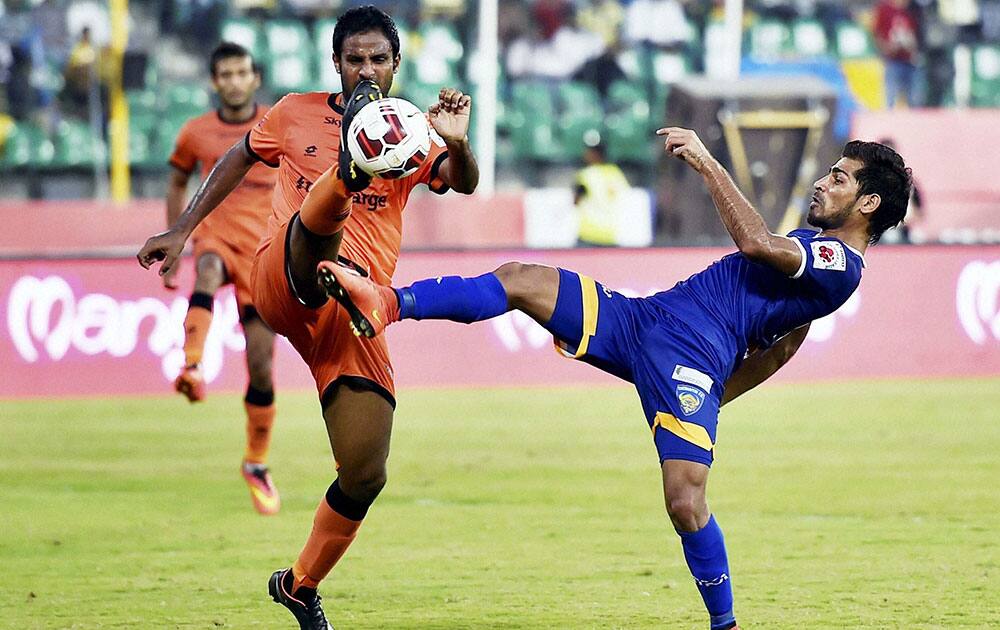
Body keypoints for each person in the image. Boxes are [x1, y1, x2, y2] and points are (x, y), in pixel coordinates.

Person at [318, 128, 912, 630]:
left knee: (685, 502)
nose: (822, 181)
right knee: (523, 278)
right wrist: (715, 401)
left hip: (691, 356)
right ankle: (386, 302)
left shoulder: (839, 263)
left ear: (867, 206)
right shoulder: (815, 252)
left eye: (839, 177)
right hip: (646, 321)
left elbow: (755, 245)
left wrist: (707, 160)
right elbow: (782, 351)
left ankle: (725, 624)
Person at [137, 6, 478, 628]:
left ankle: (298, 584)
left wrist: (456, 141)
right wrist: (184, 229)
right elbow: (238, 159)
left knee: (366, 471)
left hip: (356, 310)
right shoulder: (294, 112)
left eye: (378, 59)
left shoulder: (411, 129)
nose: (367, 69)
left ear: (396, 65)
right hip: (287, 275)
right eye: (355, 60)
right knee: (315, 240)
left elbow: (462, 181)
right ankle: (345, 179)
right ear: (337, 64)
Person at [162, 42, 281, 516]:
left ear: (255, 78)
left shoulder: (277, 124)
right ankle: (192, 365)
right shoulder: (195, 133)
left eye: (241, 72)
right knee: (206, 269)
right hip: (216, 235)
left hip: (263, 252)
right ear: (215, 82)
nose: (233, 81)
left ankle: (255, 462)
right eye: (225, 74)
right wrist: (175, 244)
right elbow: (176, 182)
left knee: (262, 364)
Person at [572, 135, 630, 246]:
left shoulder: (586, 174)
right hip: (609, 235)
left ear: (595, 154)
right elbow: (625, 197)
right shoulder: (615, 172)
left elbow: (576, 201)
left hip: (588, 234)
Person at [873, 0, 922, 108]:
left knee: (915, 100)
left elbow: (919, 32)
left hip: (910, 60)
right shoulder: (885, 8)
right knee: (890, 98)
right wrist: (887, 48)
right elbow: (877, 33)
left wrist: (913, 46)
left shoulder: (912, 9)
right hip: (892, 60)